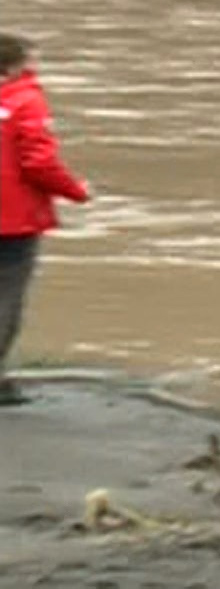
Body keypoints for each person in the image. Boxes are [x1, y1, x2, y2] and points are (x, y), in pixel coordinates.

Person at [1, 32, 92, 407]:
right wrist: (77, 191)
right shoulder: (25, 101)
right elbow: (39, 162)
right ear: (14, 65)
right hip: (13, 217)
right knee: (7, 293)